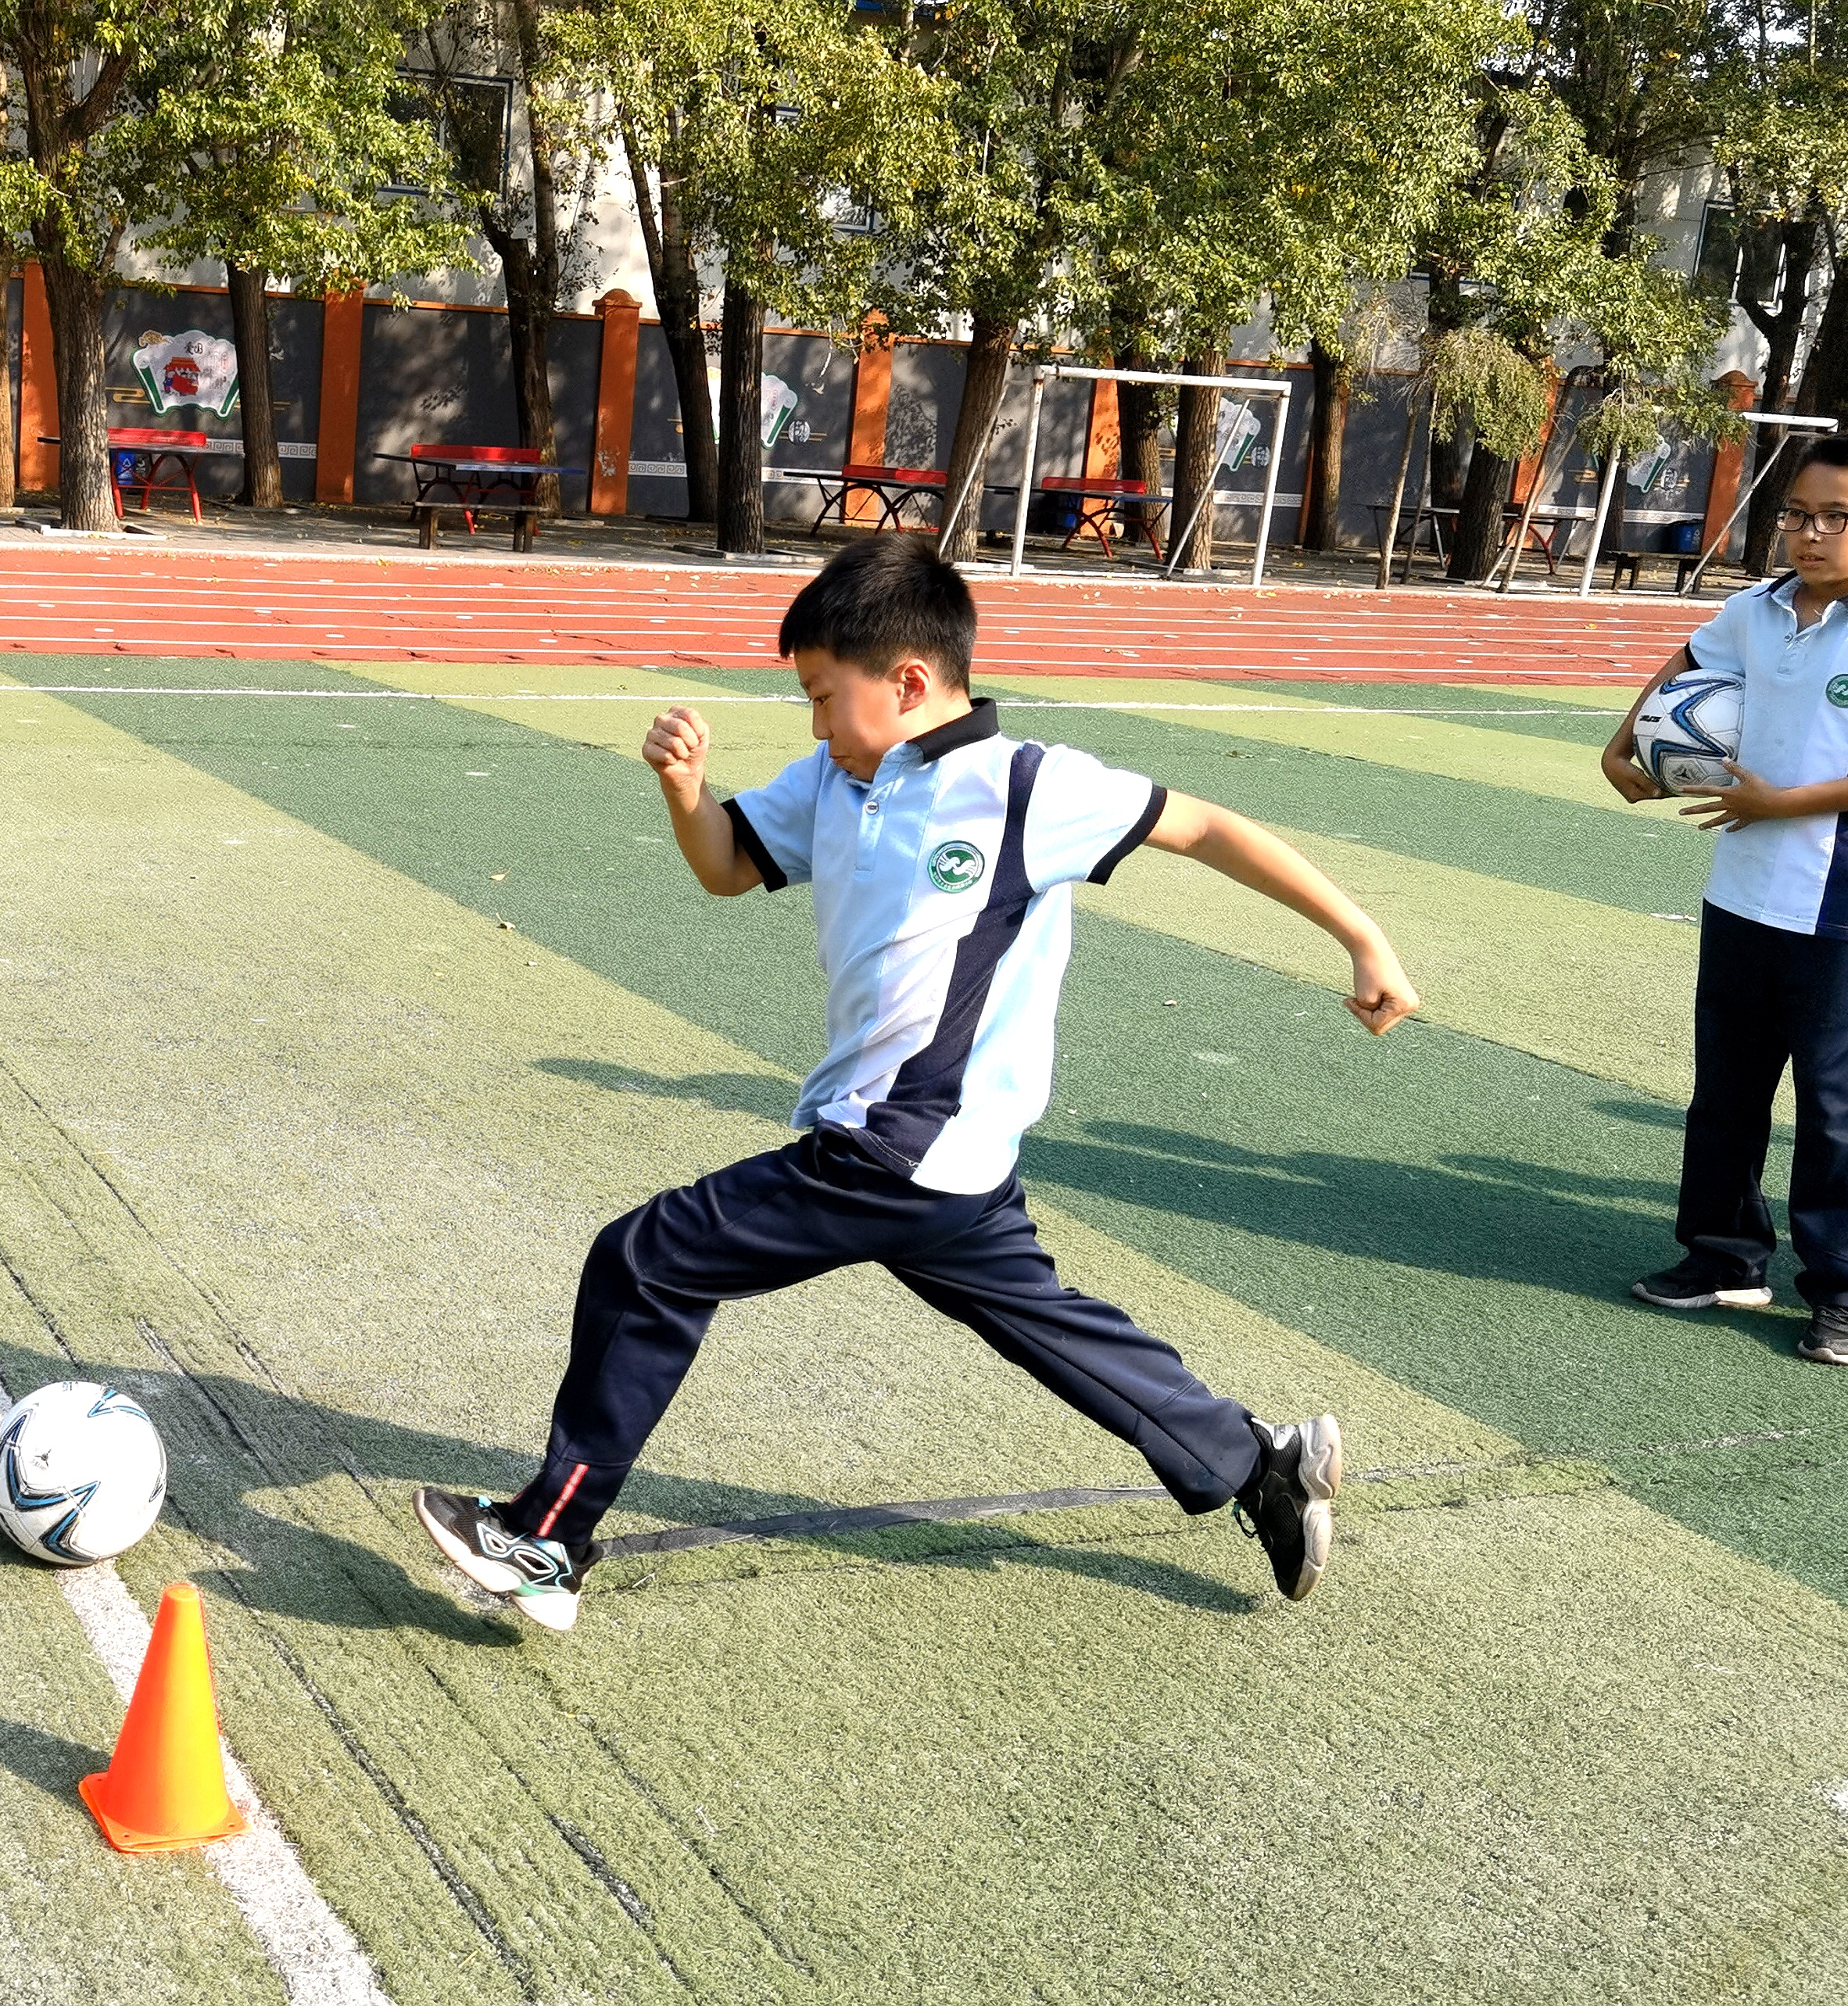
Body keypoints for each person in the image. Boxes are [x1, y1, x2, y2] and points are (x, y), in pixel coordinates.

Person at [412, 536, 1422, 1631]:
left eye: (821, 696)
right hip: (946, 1161)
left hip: (897, 1142)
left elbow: (1206, 827)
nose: (812, 725)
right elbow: (725, 864)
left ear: (907, 681)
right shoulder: (836, 784)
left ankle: (548, 1535)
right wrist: (684, 789)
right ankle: (1257, 1462)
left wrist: (1361, 936)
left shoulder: (1028, 786)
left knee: (645, 1259)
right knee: (1050, 1325)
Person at [1602, 428, 1848, 1368]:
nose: (1809, 533)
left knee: (1836, 1110)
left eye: (1834, 517)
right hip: (1740, 895)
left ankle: (1845, 1286)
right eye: (1795, 515)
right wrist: (1624, 752)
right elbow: (1670, 683)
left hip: (1846, 908)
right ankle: (1724, 1255)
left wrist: (1783, 803)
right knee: (1725, 1096)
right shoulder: (1754, 610)